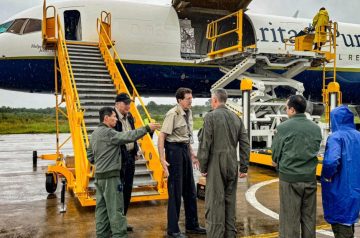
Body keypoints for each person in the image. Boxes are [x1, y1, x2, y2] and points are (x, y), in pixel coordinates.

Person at [87, 107, 160, 238]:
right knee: (117, 211)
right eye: (114, 116)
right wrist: (147, 128)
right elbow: (128, 136)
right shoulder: (109, 133)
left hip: (99, 178)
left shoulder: (94, 134)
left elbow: (90, 155)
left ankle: (102, 235)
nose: (116, 119)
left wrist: (100, 162)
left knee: (101, 211)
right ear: (106, 118)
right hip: (111, 178)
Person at [197, 88, 250, 237]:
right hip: (232, 163)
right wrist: (244, 167)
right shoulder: (236, 118)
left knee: (214, 204)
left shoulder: (210, 117)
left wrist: (203, 166)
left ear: (214, 100)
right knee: (229, 202)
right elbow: (245, 143)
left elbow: (205, 144)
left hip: (216, 162)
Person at [158, 87, 206, 238]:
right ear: (180, 100)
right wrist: (162, 158)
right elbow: (161, 136)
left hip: (184, 149)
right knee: (176, 192)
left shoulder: (188, 113)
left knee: (190, 190)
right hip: (174, 151)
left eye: (191, 98)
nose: (191, 101)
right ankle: (173, 230)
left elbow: (186, 137)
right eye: (188, 99)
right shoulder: (173, 113)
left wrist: (192, 154)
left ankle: (192, 225)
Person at [272, 95, 322, 238]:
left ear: (292, 110)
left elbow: (275, 156)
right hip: (309, 178)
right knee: (308, 218)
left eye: (287, 108)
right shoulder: (316, 128)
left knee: (289, 219)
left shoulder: (283, 127)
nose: (286, 111)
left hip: (290, 179)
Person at [321, 106, 360, 238]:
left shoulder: (336, 137)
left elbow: (331, 161)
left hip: (340, 189)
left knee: (341, 226)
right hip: (355, 188)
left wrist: (327, 175)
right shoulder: (358, 136)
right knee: (350, 222)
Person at [114, 93, 140, 232]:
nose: (128, 106)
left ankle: (122, 221)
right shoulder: (113, 117)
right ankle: (115, 224)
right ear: (117, 103)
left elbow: (133, 133)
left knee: (127, 191)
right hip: (119, 159)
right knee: (117, 193)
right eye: (125, 103)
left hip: (130, 157)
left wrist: (135, 151)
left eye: (129, 103)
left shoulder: (129, 116)